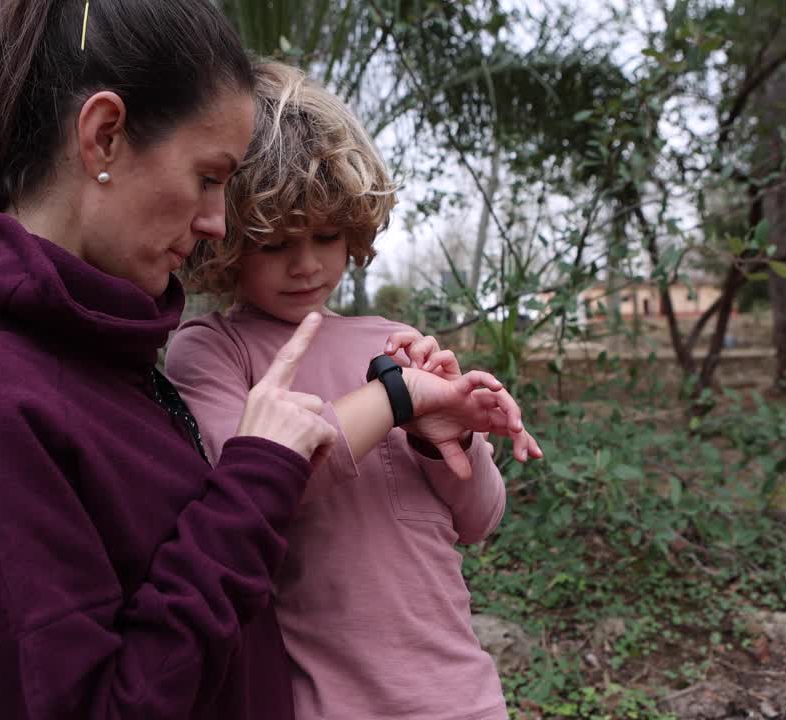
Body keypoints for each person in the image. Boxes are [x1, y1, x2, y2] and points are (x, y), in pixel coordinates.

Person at [0, 3, 526, 718]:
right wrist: (349, 423)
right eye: (211, 178)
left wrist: (443, 435)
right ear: (104, 137)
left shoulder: (101, 354)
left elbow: (470, 515)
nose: (216, 222)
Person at [167, 62, 543, 720]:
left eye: (326, 235)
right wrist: (395, 402)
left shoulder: (394, 341)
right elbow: (250, 492)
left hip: (462, 696)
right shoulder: (212, 350)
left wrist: (446, 438)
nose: (307, 263)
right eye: (275, 241)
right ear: (225, 239)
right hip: (328, 702)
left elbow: (478, 519)